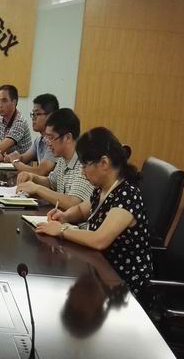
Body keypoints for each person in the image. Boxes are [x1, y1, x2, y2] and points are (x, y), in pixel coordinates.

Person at [35, 127, 153, 302]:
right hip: (99, 272)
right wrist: (65, 216)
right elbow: (82, 210)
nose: (82, 172)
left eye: (85, 166)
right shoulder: (102, 189)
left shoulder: (127, 195)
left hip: (123, 288)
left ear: (104, 163)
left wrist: (61, 230)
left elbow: (99, 240)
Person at [15, 108, 94, 209]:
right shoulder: (62, 158)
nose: (47, 143)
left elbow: (73, 202)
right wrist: (33, 177)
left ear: (68, 138)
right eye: (46, 137)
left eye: (51, 137)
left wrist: (37, 188)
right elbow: (51, 183)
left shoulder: (84, 163)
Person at [0, 93, 58, 176]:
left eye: (37, 114)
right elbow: (23, 158)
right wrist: (3, 158)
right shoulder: (39, 140)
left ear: (50, 116)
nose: (33, 118)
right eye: (33, 114)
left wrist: (16, 162)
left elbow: (40, 172)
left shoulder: (54, 143)